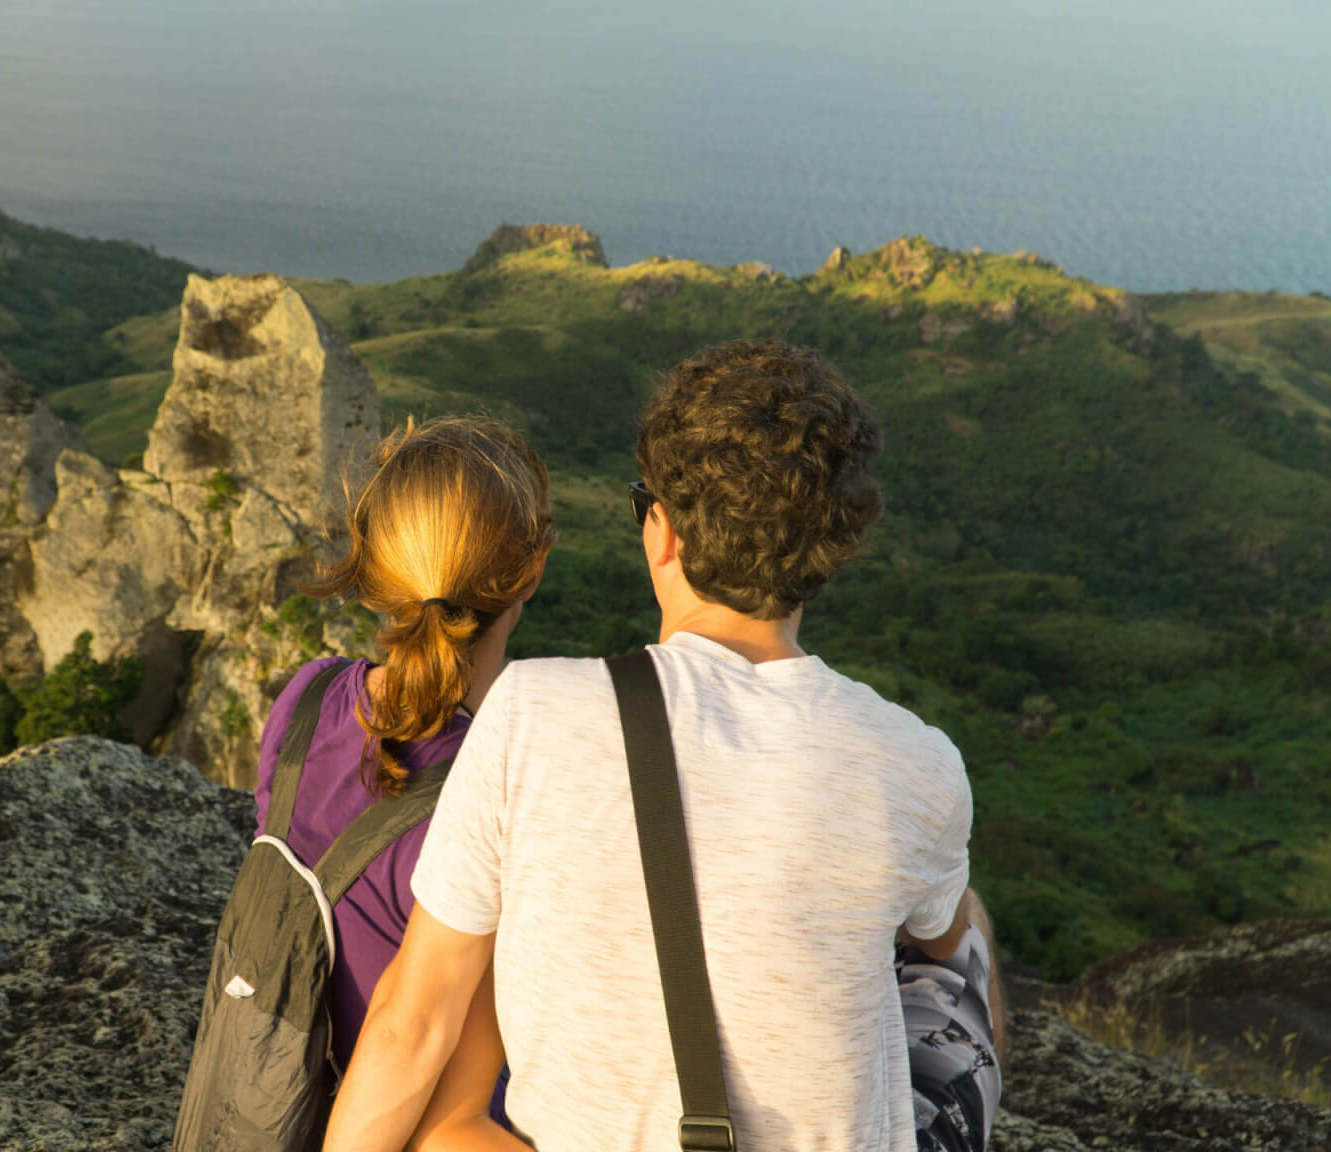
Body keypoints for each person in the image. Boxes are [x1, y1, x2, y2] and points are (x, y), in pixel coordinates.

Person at [322, 339, 1007, 1152]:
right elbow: (933, 943)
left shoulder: (530, 709)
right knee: (957, 931)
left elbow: (412, 1020)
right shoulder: (917, 762)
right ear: (830, 553)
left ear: (663, 535)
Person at [251, 414, 554, 1133]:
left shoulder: (310, 700)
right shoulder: (509, 791)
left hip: (297, 1098)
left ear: (375, 570)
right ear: (533, 572)